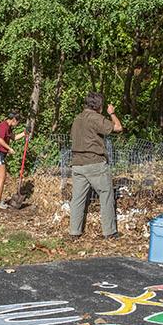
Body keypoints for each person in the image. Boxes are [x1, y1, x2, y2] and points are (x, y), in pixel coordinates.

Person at [68, 92, 123, 239]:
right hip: (94, 163)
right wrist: (112, 113)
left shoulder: (77, 119)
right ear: (99, 106)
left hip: (77, 163)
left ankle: (74, 232)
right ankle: (109, 232)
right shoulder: (96, 118)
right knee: (106, 194)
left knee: (78, 199)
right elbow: (118, 128)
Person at [0, 111, 26, 209]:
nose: (17, 124)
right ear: (14, 120)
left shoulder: (8, 128)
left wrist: (24, 133)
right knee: (2, 177)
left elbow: (15, 137)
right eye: (18, 122)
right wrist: (9, 148)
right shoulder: (3, 126)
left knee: (0, 177)